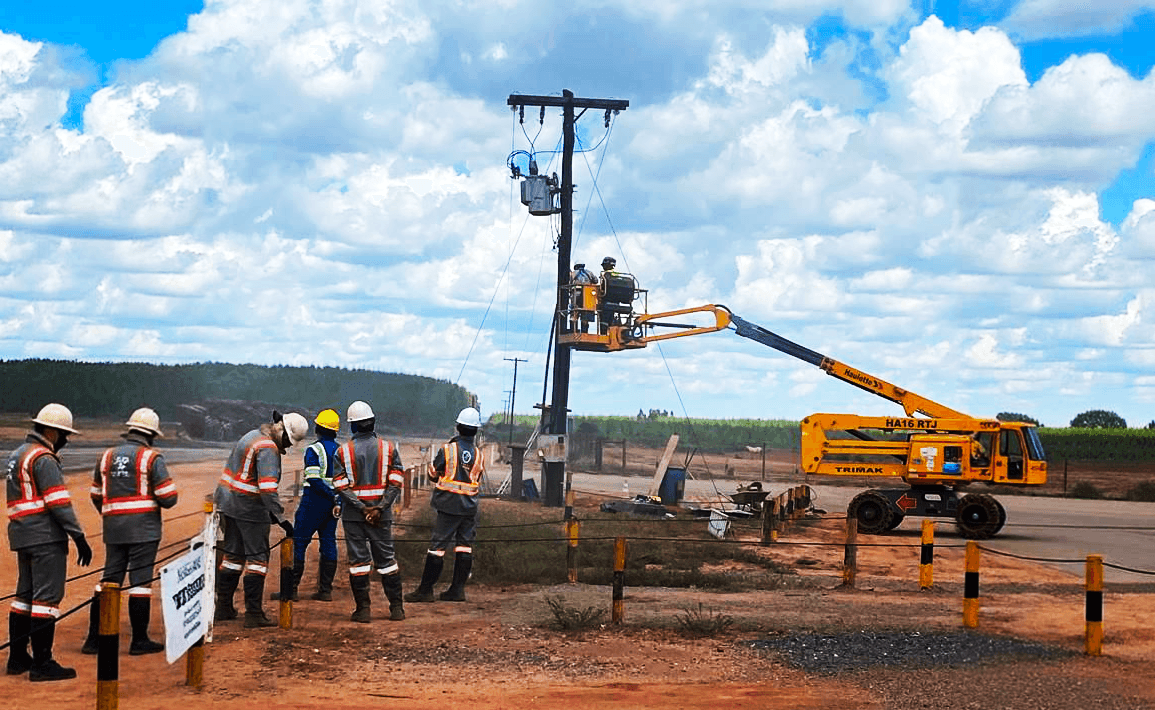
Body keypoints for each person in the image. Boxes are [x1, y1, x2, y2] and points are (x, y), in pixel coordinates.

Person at [5, 403, 93, 682]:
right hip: (45, 538)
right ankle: (42, 663)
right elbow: (58, 502)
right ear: (52, 432)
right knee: (46, 599)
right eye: (65, 434)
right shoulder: (44, 458)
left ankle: (17, 657)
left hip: (22, 534)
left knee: (24, 597)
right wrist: (78, 537)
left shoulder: (18, 454)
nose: (66, 440)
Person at [81, 408, 178, 656]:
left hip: (113, 528)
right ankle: (139, 640)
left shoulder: (106, 456)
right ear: (151, 435)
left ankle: (94, 640)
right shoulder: (151, 458)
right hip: (144, 530)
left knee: (109, 580)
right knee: (140, 583)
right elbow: (168, 498)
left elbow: (95, 495)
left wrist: (113, 513)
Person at [214, 410, 308, 628]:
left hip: (229, 505)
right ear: (283, 432)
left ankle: (224, 608)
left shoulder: (251, 436)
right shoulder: (268, 448)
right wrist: (281, 518)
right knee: (257, 560)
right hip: (249, 508)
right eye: (287, 441)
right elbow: (267, 489)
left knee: (232, 556)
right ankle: (254, 614)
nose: (286, 446)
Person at [331, 401, 406, 623]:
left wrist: (363, 509)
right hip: (381, 517)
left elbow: (340, 485)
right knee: (387, 561)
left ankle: (363, 610)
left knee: (358, 563)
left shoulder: (342, 452)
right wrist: (380, 508)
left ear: (352, 426)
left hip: (355, 517)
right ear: (372, 422)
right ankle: (396, 609)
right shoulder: (389, 448)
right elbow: (396, 481)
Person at [405, 407, 486, 604]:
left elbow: (433, 474)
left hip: (449, 505)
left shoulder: (448, 450)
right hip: (470, 507)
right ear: (476, 430)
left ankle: (425, 591)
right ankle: (457, 590)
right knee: (464, 547)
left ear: (458, 427)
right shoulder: (479, 454)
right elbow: (477, 478)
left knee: (437, 548)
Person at [275, 409, 342, 603]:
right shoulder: (341, 451)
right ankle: (325, 590)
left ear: (318, 428)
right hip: (333, 504)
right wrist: (336, 499)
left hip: (313, 502)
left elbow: (313, 479)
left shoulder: (314, 450)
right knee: (328, 542)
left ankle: (291, 590)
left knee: (299, 543)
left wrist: (328, 496)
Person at [570, 263, 598, 333]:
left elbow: (569, 282)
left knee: (574, 312)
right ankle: (584, 332)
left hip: (576, 294)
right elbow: (596, 281)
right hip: (587, 295)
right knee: (585, 312)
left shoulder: (573, 273)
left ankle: (574, 330)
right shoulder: (589, 273)